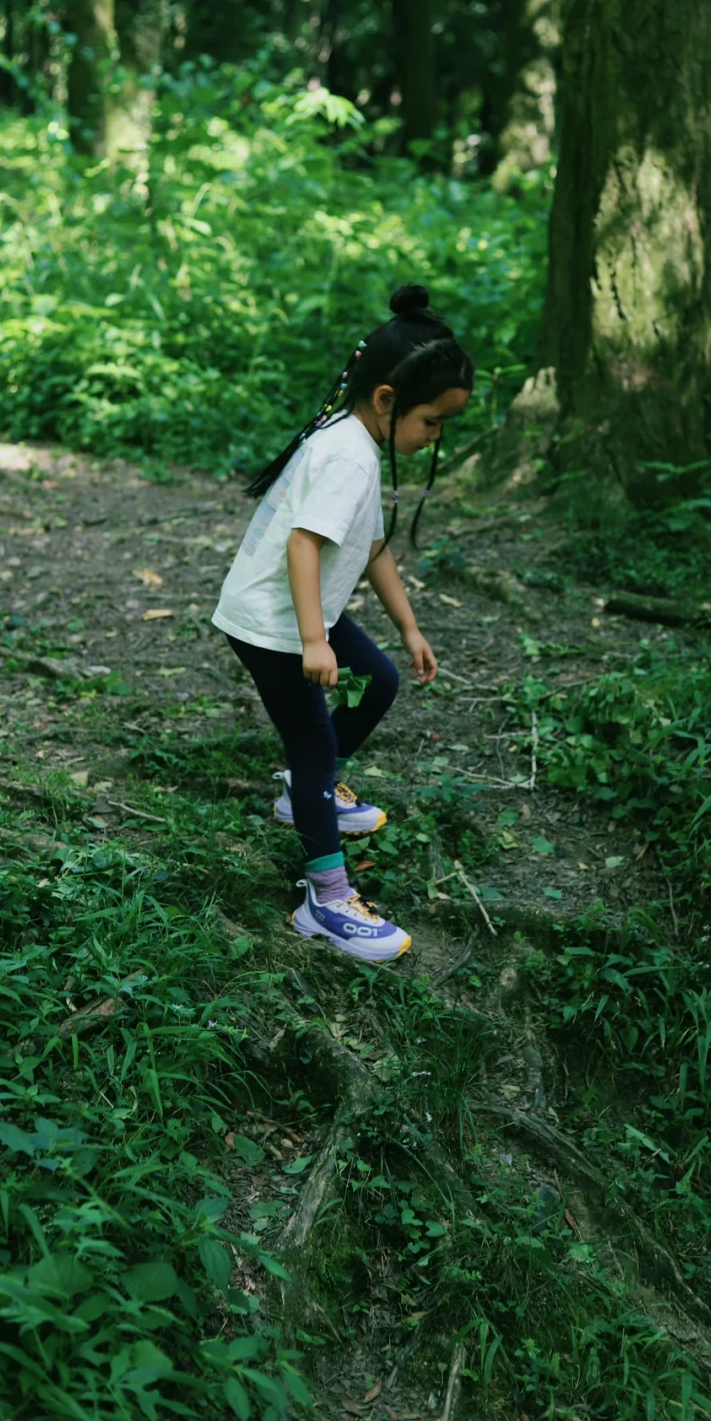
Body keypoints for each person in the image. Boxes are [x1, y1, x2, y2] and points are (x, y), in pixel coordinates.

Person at [212, 284, 474, 962]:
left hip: (302, 616)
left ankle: (315, 789)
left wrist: (411, 629)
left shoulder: (359, 445)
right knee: (311, 739)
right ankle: (326, 900)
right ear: (386, 400)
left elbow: (375, 548)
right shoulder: (347, 458)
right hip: (273, 624)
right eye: (432, 422)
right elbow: (304, 543)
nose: (435, 438)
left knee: (377, 679)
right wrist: (311, 640)